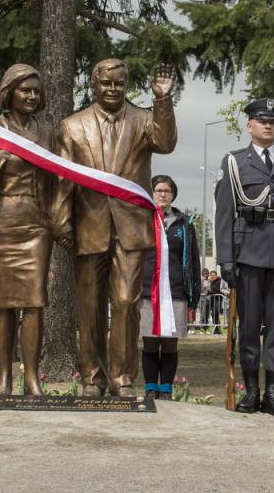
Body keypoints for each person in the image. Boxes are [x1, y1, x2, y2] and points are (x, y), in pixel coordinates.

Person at [52, 59, 177, 397]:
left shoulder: (143, 120)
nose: (112, 89)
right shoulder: (72, 126)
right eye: (106, 83)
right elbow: (63, 178)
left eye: (118, 83)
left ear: (126, 85)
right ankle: (92, 378)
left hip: (131, 228)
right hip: (89, 225)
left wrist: (162, 99)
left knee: (125, 303)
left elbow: (166, 142)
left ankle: (122, 378)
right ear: (93, 85)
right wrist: (60, 219)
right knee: (90, 307)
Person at [215, 97, 274, 417]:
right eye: (262, 120)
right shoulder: (234, 162)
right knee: (248, 327)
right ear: (250, 125)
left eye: (273, 121)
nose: (268, 125)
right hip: (247, 254)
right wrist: (225, 259)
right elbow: (224, 214)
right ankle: (251, 391)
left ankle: (271, 393)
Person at [0, 64, 55, 396]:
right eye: (25, 90)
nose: (32, 96)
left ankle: (31, 378)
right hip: (0, 222)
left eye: (36, 91)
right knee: (3, 303)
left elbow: (57, 180)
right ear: (10, 93)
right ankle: (5, 377)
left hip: (36, 223)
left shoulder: (47, 132)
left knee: (34, 302)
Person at [140, 175, 200, 399]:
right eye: (158, 190)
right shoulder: (143, 220)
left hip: (175, 292)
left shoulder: (184, 224)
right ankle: (150, 388)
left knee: (169, 344)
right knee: (149, 342)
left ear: (173, 194)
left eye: (167, 190)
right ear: (152, 193)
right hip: (148, 292)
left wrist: (193, 297)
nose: (163, 194)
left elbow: (193, 261)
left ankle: (165, 389)